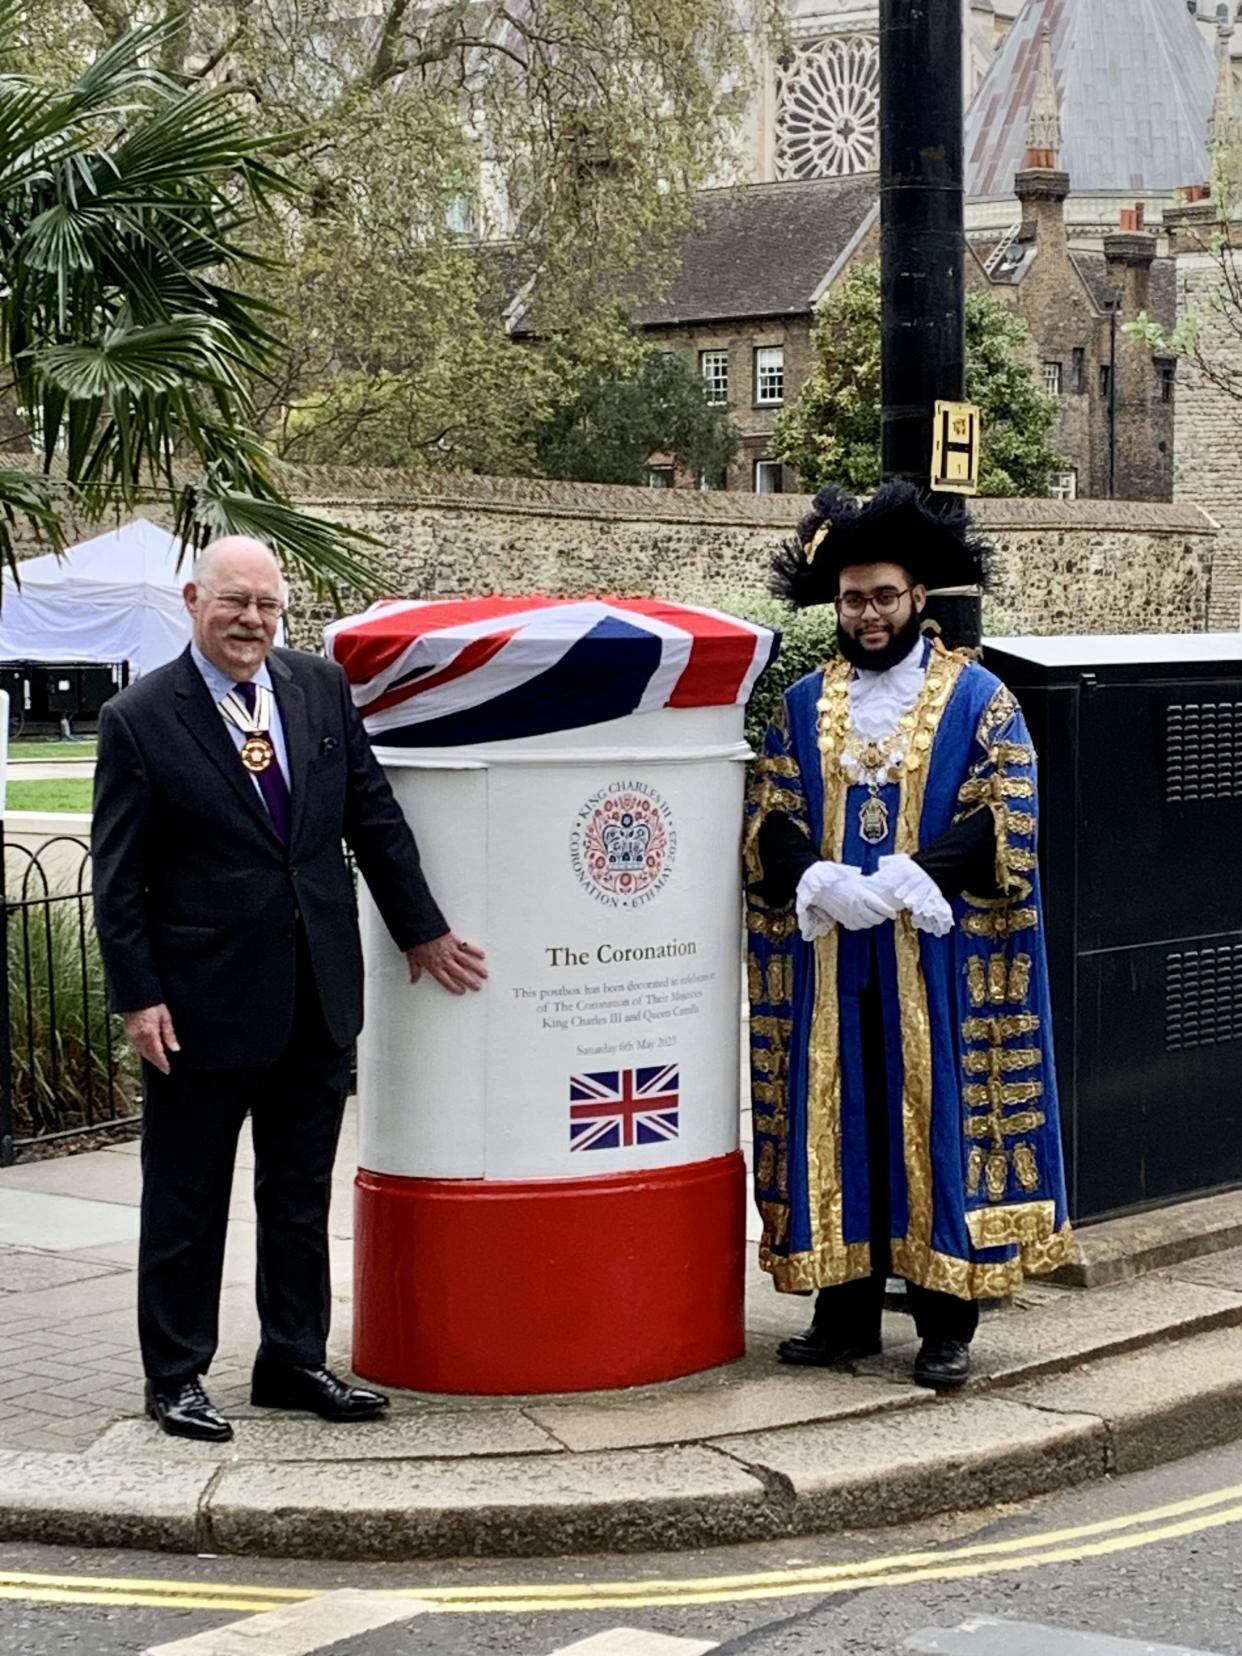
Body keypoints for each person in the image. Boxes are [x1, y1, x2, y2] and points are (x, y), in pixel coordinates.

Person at [92, 536, 487, 1442]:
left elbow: (372, 815)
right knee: (187, 1199)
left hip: (315, 992)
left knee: (299, 1190)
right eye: (235, 602)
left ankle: (293, 1360)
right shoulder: (139, 718)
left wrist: (421, 929)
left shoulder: (318, 688)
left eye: (268, 605)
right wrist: (137, 995)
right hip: (197, 1005)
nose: (252, 621)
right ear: (194, 599)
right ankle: (177, 1376)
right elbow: (120, 880)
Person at [744, 482, 1070, 1390]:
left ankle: (943, 1317)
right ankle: (842, 1313)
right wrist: (814, 873)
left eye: (884, 596)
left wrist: (917, 874)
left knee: (934, 1120)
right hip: (835, 960)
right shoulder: (802, 703)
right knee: (839, 1117)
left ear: (919, 597)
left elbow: (1011, 807)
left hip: (938, 961)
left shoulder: (982, 699)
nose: (868, 613)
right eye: (853, 598)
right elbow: (769, 804)